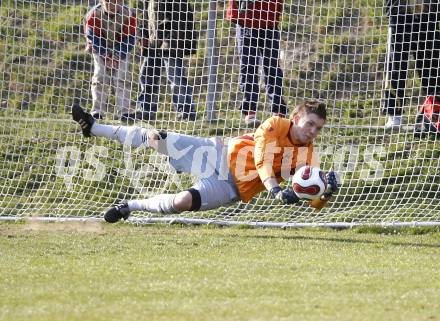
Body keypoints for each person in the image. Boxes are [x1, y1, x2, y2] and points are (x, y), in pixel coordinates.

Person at [71, 100, 338, 223]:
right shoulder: (275, 124)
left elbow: (314, 205)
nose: (313, 131)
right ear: (296, 117)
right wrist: (276, 190)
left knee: (182, 202)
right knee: (156, 137)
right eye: (310, 124)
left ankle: (129, 206)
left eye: (318, 129)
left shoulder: (308, 155)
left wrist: (326, 192)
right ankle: (94, 128)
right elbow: (262, 160)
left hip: (231, 187)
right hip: (216, 153)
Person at [226, 0, 288, 126]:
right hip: (246, 20)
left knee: (272, 66)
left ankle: (278, 111)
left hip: (269, 17)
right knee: (248, 65)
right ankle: (250, 111)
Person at [136, 0, 198, 121]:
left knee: (175, 76)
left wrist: (169, 41)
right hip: (153, 41)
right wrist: (143, 34)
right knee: (147, 75)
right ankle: (146, 110)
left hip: (171, 41)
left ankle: (186, 111)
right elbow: (145, 15)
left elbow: (181, 17)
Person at [383, 0, 440, 129]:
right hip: (400, 15)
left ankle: (435, 111)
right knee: (396, 65)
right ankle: (394, 114)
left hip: (427, 13)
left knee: (432, 65)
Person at [83, 0, 137, 121]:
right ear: (102, 2)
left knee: (122, 78)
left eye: (115, 1)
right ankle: (97, 112)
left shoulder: (128, 14)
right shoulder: (94, 14)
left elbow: (130, 39)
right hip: (100, 47)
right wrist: (106, 55)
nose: (111, 4)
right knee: (100, 77)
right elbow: (93, 37)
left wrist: (117, 55)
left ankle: (124, 112)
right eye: (108, 1)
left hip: (121, 48)